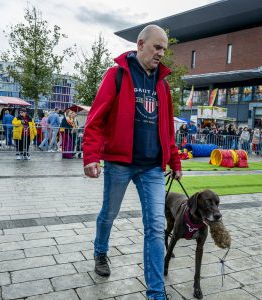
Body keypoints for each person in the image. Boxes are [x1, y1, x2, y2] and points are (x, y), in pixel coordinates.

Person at [83, 24, 182, 300]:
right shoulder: (117, 75)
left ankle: (156, 293)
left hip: (152, 167)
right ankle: (100, 251)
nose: (161, 53)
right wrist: (91, 156)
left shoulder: (162, 85)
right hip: (120, 163)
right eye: (157, 47)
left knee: (154, 226)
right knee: (109, 214)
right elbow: (96, 119)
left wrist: (175, 161)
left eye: (164, 49)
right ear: (140, 44)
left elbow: (167, 129)